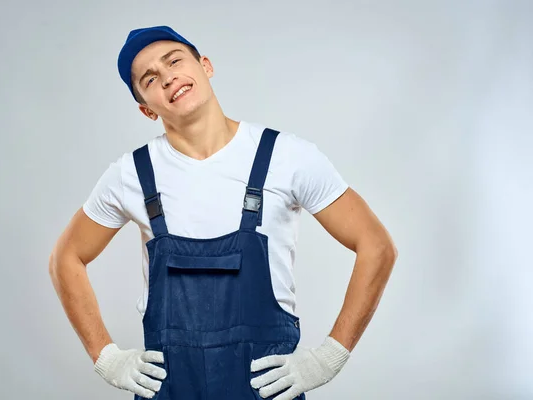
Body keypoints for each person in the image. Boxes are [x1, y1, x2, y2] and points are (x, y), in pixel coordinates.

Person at [49, 25, 397, 400]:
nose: (169, 78)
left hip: (264, 389)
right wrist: (106, 356)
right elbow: (65, 258)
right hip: (171, 390)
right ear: (146, 109)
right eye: (151, 78)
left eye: (174, 61)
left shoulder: (287, 156)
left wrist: (331, 356)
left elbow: (376, 245)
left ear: (205, 66)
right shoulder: (131, 174)